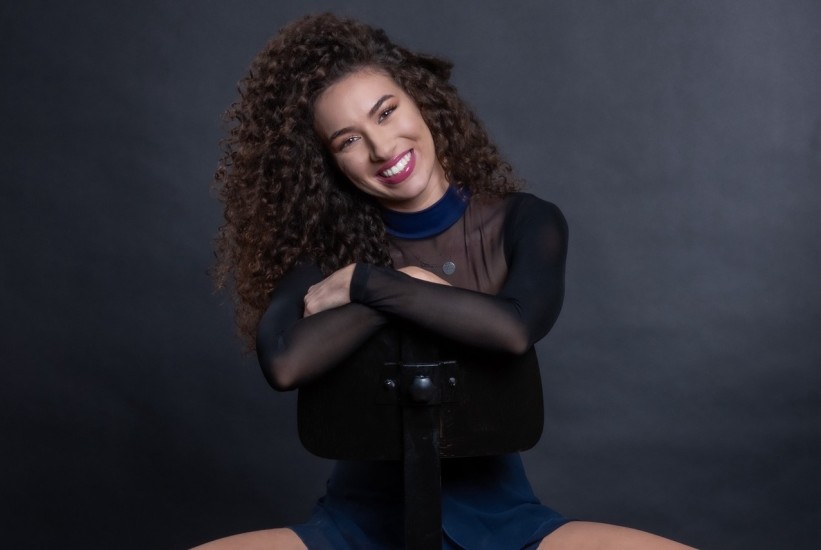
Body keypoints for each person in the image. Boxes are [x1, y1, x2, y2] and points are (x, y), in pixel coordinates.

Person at [195, 13, 695, 550]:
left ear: (420, 100)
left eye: (386, 112)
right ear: (329, 164)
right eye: (348, 140)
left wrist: (370, 284)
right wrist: (400, 285)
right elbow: (284, 363)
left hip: (504, 525)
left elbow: (514, 329)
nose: (382, 148)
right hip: (357, 529)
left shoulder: (526, 222)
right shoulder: (323, 255)